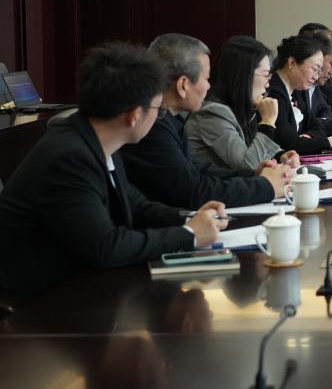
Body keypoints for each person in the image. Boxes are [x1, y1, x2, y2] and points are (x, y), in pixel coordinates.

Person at [0, 43, 226, 297]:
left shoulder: (97, 139)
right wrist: (189, 234)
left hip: (80, 285)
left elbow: (136, 205)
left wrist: (191, 217)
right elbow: (105, 246)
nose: (159, 117)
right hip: (36, 304)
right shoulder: (69, 158)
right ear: (134, 115)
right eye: (158, 109)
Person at [120, 34, 289, 209]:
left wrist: (254, 175)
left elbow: (200, 169)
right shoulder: (153, 126)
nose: (209, 86)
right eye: (206, 79)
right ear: (183, 84)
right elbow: (194, 192)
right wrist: (266, 186)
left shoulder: (172, 120)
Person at [185, 35, 301, 172]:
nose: (268, 84)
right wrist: (267, 123)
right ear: (244, 75)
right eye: (266, 75)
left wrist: (279, 155)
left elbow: (249, 148)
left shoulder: (239, 106)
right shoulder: (212, 113)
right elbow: (248, 166)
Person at [268, 35, 332, 154]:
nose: (316, 76)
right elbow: (290, 145)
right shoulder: (274, 94)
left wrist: (308, 137)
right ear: (292, 63)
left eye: (319, 70)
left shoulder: (299, 89)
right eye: (315, 69)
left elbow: (316, 125)